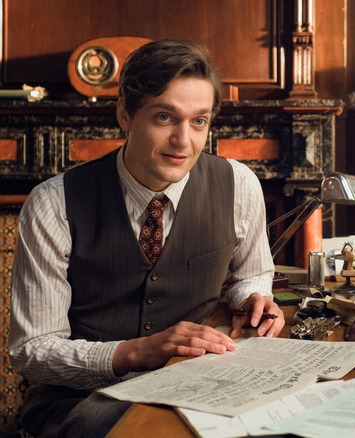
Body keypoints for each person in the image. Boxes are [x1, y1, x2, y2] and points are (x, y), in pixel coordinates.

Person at [9, 39, 284, 437]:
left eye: (199, 121)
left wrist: (251, 298)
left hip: (199, 383)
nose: (183, 141)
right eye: (164, 117)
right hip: (83, 400)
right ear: (125, 113)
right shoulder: (53, 203)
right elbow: (31, 351)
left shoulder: (239, 184)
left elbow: (252, 273)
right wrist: (137, 351)